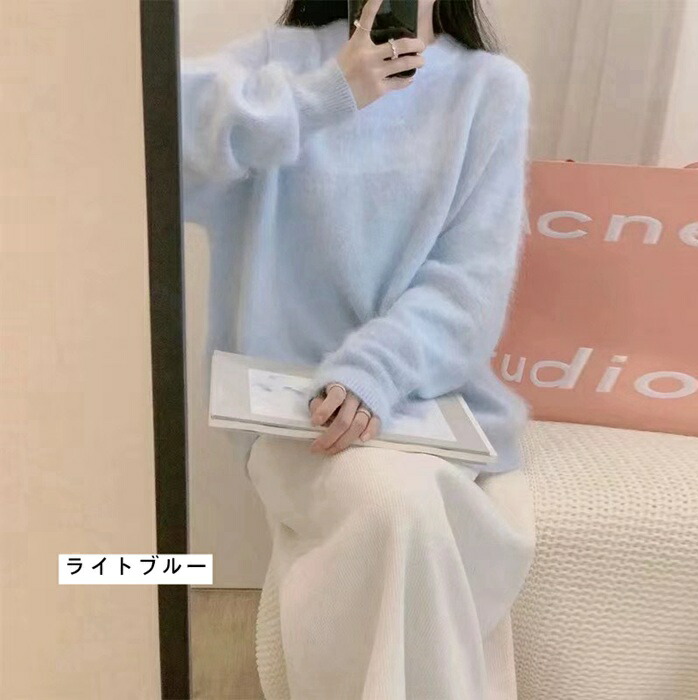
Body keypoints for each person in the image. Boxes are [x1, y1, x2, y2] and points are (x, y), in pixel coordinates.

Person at [180, 0, 535, 697]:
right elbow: (151, 131)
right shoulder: (282, 64)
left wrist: (374, 371)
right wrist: (327, 94)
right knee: (396, 506)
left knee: (407, 507)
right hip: (294, 413)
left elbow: (470, 283)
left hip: (426, 403)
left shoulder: (490, 89)